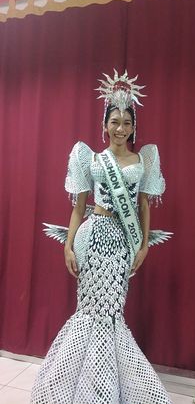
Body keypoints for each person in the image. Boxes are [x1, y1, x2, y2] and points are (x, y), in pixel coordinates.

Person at [31, 70, 173, 403]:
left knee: (112, 313)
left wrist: (143, 247)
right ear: (104, 124)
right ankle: (75, 390)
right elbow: (79, 210)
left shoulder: (143, 159)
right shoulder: (91, 159)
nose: (120, 128)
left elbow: (143, 208)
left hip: (123, 244)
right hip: (93, 239)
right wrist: (68, 246)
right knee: (88, 311)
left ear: (134, 127)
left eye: (126, 122)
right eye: (114, 121)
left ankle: (108, 389)